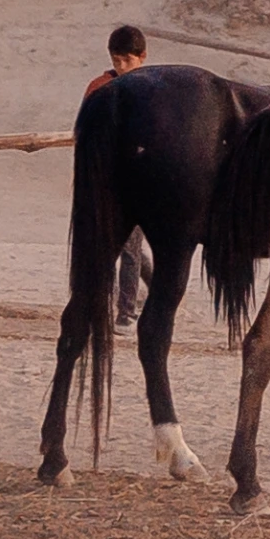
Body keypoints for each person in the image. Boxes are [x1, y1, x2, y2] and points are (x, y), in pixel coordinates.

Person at [88, 24, 151, 322]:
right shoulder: (100, 88)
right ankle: (122, 307)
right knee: (117, 246)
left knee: (130, 247)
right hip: (107, 179)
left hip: (139, 181)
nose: (122, 67)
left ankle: (126, 312)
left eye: (128, 60)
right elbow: (86, 131)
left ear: (142, 57)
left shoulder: (153, 89)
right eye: (117, 61)